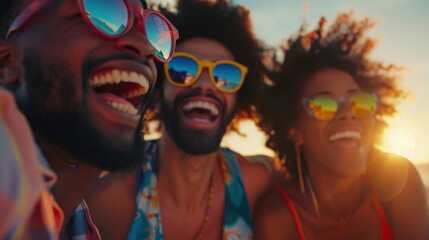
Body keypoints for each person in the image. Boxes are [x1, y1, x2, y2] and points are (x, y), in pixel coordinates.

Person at [85, 0, 273, 239]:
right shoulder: (107, 202)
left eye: (225, 74)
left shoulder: (256, 181)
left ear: (238, 97)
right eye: (182, 69)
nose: (205, 84)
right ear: (159, 87)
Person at [0, 0, 178, 238]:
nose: (145, 46)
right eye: (98, 10)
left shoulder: (79, 228)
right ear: (5, 64)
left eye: (150, 33)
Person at [254, 13, 429, 239]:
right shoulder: (276, 217)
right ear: (294, 130)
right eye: (323, 105)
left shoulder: (398, 182)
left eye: (359, 102)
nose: (347, 114)